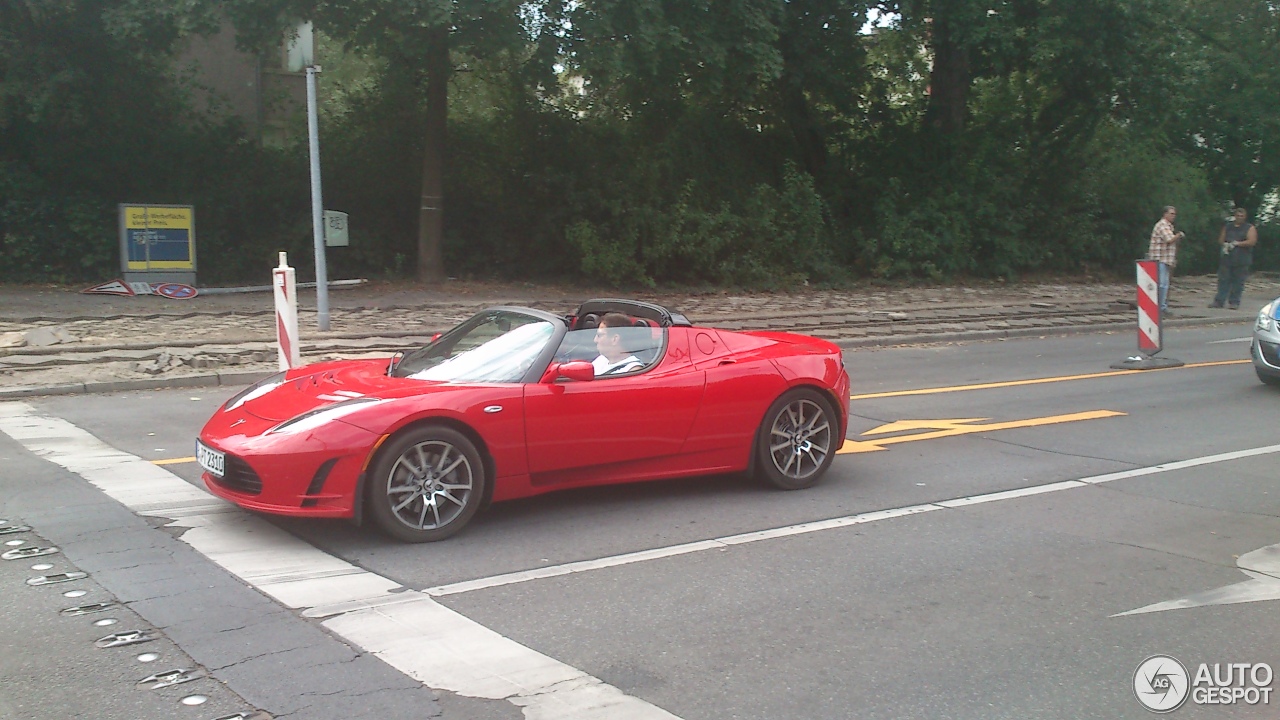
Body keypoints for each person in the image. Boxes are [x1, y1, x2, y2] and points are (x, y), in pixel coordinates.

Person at [1210, 207, 1258, 310]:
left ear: (1245, 217)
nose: (1240, 218)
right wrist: (1225, 245)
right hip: (1227, 258)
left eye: (1242, 216)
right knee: (1223, 280)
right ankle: (1219, 301)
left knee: (1238, 281)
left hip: (1242, 259)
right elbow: (1221, 240)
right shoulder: (1228, 227)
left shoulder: (1249, 228)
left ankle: (1234, 302)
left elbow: (1252, 241)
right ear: (1234, 216)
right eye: (1238, 215)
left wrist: (1238, 244)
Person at [1147, 206, 1185, 313]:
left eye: (1174, 214)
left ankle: (1161, 305)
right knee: (1162, 284)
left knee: (1164, 284)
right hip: (1160, 259)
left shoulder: (1168, 226)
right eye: (1171, 214)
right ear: (1165, 214)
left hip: (1165, 259)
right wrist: (1179, 235)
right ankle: (1160, 307)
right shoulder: (1163, 225)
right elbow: (1169, 240)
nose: (1174, 216)